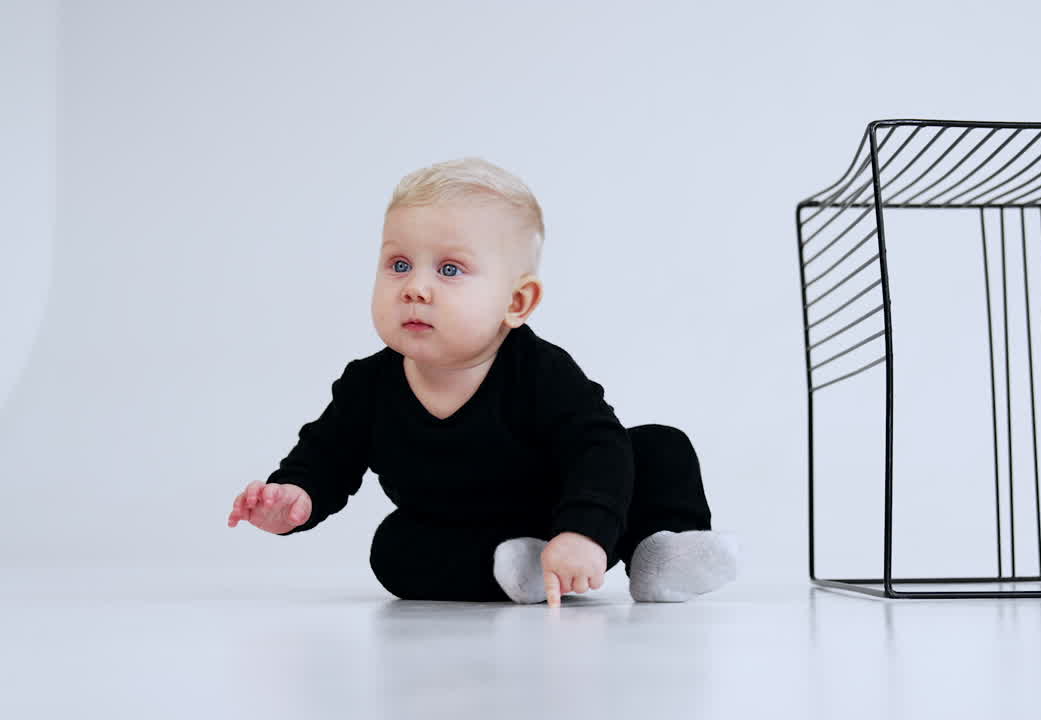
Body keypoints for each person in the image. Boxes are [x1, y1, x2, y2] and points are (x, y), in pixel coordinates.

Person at [226, 157, 739, 606]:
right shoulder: (368, 385)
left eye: (449, 269)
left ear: (516, 303)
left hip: (570, 508)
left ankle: (661, 552)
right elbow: (327, 453)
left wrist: (585, 532)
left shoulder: (540, 371)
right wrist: (296, 496)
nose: (415, 288)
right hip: (471, 533)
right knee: (393, 548)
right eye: (398, 264)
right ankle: (518, 571)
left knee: (655, 447)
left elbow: (596, 450)